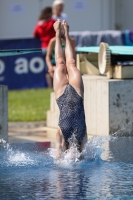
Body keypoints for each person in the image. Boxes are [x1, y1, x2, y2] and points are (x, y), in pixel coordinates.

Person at [53, 20, 87, 160]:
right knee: (71, 63)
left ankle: (57, 33)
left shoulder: (61, 135)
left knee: (60, 64)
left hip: (61, 95)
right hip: (77, 94)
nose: (73, 154)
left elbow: (57, 158)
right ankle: (66, 33)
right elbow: (84, 158)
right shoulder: (82, 138)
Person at [33, 7, 55, 87]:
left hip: (44, 47)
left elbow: (35, 34)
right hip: (53, 47)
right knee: (55, 65)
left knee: (47, 67)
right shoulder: (52, 22)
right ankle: (55, 84)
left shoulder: (39, 23)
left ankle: (50, 86)